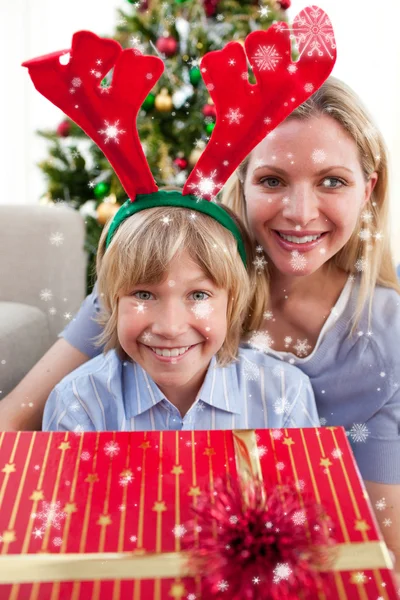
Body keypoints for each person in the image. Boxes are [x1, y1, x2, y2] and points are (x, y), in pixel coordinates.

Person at [2, 75, 399, 570]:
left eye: (332, 180)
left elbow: (382, 546)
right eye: (273, 180)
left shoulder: (380, 338)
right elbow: (16, 423)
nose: (300, 213)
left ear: (368, 190)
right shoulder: (154, 276)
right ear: (244, 184)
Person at [41, 199, 317, 431]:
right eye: (144, 295)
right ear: (113, 301)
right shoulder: (78, 402)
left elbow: (307, 495)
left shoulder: (285, 394)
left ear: (232, 303)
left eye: (198, 295)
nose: (170, 327)